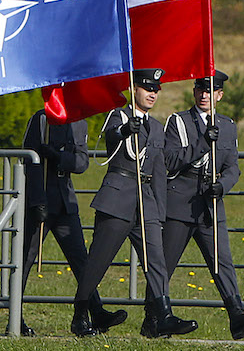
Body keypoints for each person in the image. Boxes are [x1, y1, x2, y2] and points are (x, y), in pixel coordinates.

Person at [70, 68, 197, 337]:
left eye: (156, 90)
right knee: (99, 261)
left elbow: (160, 171)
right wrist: (126, 129)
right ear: (133, 89)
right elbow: (112, 138)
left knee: (156, 261)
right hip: (118, 196)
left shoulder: (156, 127)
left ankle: (162, 314)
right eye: (147, 89)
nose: (152, 94)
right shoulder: (119, 116)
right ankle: (81, 313)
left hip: (147, 200)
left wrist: (160, 213)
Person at [143, 71, 244, 339]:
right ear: (194, 92)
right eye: (200, 90)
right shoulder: (178, 121)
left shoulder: (228, 125)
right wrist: (202, 143)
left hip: (210, 204)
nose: (204, 95)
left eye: (210, 91)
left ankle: (237, 316)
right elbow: (170, 161)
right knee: (165, 264)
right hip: (180, 200)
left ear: (219, 95)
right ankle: (153, 319)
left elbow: (233, 167)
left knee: (222, 262)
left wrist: (222, 185)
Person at [20, 110, 126, 336]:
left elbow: (81, 163)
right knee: (25, 258)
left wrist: (59, 157)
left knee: (81, 260)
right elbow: (29, 161)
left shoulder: (79, 122)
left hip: (65, 201)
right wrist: (36, 201)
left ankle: (94, 311)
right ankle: (14, 316)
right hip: (40, 200)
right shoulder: (40, 119)